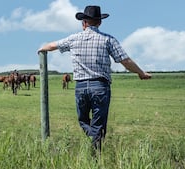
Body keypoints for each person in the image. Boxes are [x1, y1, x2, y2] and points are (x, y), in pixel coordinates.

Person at [37, 5, 152, 156]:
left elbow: (52, 45)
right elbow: (125, 60)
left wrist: (41, 50)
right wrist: (141, 72)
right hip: (100, 86)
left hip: (80, 86)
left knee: (83, 120)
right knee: (99, 124)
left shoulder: (73, 39)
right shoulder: (108, 39)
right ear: (99, 22)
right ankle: (94, 154)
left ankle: (93, 148)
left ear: (83, 22)